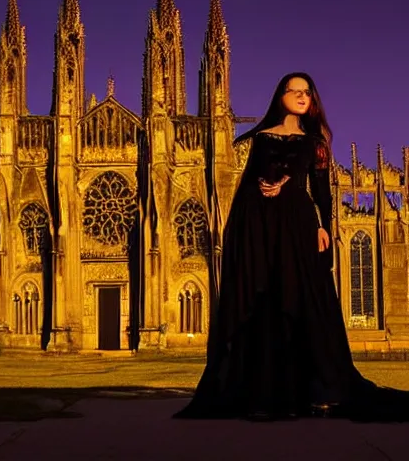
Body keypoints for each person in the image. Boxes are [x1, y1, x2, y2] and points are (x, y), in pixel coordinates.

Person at [173, 72, 409, 421]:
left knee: (301, 300)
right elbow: (239, 183)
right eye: (293, 90)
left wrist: (323, 227)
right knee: (262, 300)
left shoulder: (315, 141)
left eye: (306, 92)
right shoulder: (255, 139)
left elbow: (322, 190)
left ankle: (321, 390)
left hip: (297, 222)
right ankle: (263, 396)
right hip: (258, 222)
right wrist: (259, 191)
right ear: (279, 96)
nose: (301, 96)